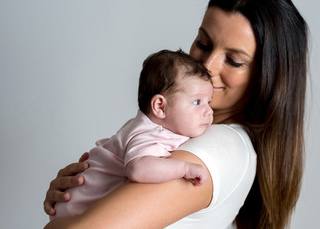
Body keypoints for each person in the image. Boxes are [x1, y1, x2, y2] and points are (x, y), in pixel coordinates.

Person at [44, 0, 308, 228]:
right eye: (203, 44)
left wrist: (58, 224)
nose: (209, 66)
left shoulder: (218, 146)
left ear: (267, 77)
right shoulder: (189, 132)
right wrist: (84, 192)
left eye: (234, 61)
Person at [50, 49, 214, 220]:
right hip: (78, 207)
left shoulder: (156, 127)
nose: (208, 111)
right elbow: (138, 169)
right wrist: (185, 168)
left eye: (209, 102)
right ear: (160, 107)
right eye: (197, 102)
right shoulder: (148, 134)